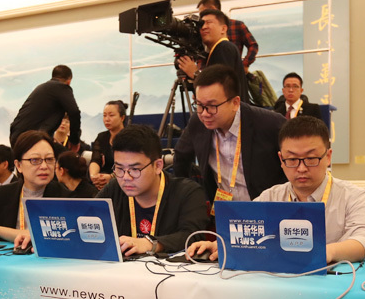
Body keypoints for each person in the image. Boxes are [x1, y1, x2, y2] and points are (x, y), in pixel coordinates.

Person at [187, 116, 365, 264]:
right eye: (292, 159)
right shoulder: (271, 197)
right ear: (281, 159)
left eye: (311, 158)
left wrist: (328, 252)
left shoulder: (353, 196)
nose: (301, 168)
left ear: (328, 156)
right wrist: (219, 245)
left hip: (335, 287)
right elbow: (246, 235)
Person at [173, 64, 286, 203]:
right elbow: (180, 158)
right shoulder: (198, 123)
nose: (205, 113)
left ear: (235, 103)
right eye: (199, 105)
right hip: (224, 210)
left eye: (212, 106)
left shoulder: (270, 124)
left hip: (267, 208)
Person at [96, 125, 209, 257]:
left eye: (135, 169)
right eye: (119, 169)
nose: (126, 177)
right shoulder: (114, 189)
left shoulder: (187, 193)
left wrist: (151, 244)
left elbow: (193, 236)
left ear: (157, 166)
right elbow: (88, 217)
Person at [0, 131, 70, 245]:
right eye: (35, 160)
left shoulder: (65, 197)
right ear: (18, 165)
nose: (44, 166)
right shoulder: (3, 193)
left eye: (49, 159)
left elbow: (50, 237)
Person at [175, 9, 249, 104]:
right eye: (201, 24)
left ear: (223, 29)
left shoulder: (224, 47)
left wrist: (195, 73)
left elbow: (221, 85)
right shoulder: (219, 49)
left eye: (209, 22)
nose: (204, 27)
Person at [9, 65, 81, 147]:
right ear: (69, 81)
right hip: (31, 138)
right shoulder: (61, 87)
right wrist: (74, 140)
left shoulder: (42, 88)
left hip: (17, 136)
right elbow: (74, 112)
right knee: (64, 154)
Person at [196, 0, 259, 72]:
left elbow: (253, 45)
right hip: (213, 71)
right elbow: (200, 54)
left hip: (232, 70)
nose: (204, 26)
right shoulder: (203, 31)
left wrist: (244, 64)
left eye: (202, 13)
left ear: (223, 29)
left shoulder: (237, 25)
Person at [89, 100, 127, 189]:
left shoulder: (130, 137)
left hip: (124, 180)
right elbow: (95, 160)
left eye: (111, 115)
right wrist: (94, 176)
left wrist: (111, 177)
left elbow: (130, 165)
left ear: (122, 118)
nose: (107, 119)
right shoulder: (102, 137)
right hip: (103, 180)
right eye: (104, 115)